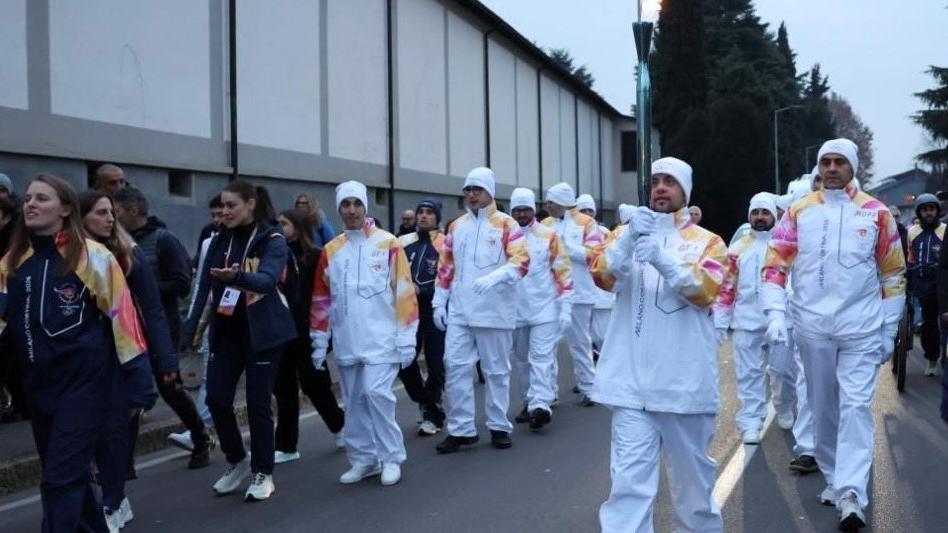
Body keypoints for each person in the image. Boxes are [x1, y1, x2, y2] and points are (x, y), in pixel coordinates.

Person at [761, 139, 905, 531]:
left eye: (840, 161)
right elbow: (774, 265)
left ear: (853, 167)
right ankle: (834, 475)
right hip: (812, 329)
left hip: (860, 329)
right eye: (826, 161)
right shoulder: (799, 212)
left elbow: (893, 274)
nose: (832, 168)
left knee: (855, 408)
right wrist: (775, 313)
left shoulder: (876, 214)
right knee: (822, 410)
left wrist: (888, 329)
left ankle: (852, 494)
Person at [0, 174, 155, 532]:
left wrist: (140, 381)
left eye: (42, 198)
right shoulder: (12, 262)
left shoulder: (92, 256)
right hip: (38, 387)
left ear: (66, 208)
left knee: (60, 480)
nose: (31, 204)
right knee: (73, 478)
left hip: (86, 386)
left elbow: (123, 319)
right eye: (28, 198)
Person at [591, 157, 726, 533]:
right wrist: (628, 240)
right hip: (630, 385)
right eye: (655, 182)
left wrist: (662, 259)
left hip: (684, 386)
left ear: (685, 191)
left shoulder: (708, 242)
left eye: (670, 182)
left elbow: (705, 291)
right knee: (628, 488)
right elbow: (602, 276)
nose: (661, 188)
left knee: (694, 490)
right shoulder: (625, 235)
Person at [182, 180, 297, 501]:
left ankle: (263, 472)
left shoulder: (273, 239)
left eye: (231, 205)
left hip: (264, 335)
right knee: (217, 400)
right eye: (221, 206)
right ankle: (237, 460)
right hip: (227, 332)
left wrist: (237, 277)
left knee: (259, 404)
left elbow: (267, 280)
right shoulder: (217, 239)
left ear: (250, 204)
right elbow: (203, 289)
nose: (224, 211)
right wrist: (190, 331)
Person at [80, 190, 181, 528]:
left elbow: (152, 308)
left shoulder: (127, 253)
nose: (110, 218)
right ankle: (108, 497)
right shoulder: (67, 256)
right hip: (81, 358)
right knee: (89, 434)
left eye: (111, 211)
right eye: (101, 212)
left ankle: (113, 499)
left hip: (125, 353)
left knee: (116, 432)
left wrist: (165, 360)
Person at [310, 180, 418, 486]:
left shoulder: (388, 244)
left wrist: (407, 337)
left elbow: (404, 292)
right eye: (346, 204)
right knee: (354, 402)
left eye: (357, 203)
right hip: (348, 339)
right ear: (339, 209)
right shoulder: (331, 250)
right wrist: (319, 342)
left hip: (382, 339)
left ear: (365, 207)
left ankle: (391, 457)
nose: (352, 210)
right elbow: (321, 301)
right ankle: (364, 459)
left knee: (376, 394)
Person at [112, 187, 211, 473]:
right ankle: (124, 464)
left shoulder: (163, 240)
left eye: (116, 212)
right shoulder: (116, 243)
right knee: (129, 392)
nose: (112, 218)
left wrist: (142, 288)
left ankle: (200, 438)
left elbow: (182, 283)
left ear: (133, 211)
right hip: (127, 330)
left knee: (170, 388)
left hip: (162, 327)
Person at [433, 167, 529, 453]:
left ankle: (498, 426)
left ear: (490, 191)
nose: (472, 194)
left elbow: (522, 262)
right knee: (455, 367)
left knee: (496, 371)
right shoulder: (456, 226)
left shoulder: (507, 224)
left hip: (494, 310)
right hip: (461, 310)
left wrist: (495, 277)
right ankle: (461, 429)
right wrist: (439, 301)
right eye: (468, 190)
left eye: (477, 189)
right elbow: (446, 266)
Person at [714, 193, 798, 444]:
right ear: (749, 215)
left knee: (783, 372)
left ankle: (784, 406)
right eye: (755, 213)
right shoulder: (737, 249)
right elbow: (727, 288)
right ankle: (751, 422)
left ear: (774, 216)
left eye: (765, 213)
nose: (760, 217)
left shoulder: (785, 246)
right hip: (746, 322)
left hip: (782, 321)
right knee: (748, 375)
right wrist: (720, 322)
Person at [273, 208, 345, 463]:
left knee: (315, 384)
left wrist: (323, 332)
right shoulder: (273, 255)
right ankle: (286, 445)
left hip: (309, 331)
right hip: (281, 332)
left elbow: (326, 295)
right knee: (283, 389)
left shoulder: (315, 256)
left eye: (284, 223)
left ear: (298, 226)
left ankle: (339, 426)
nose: (279, 228)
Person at [509, 187, 572, 429]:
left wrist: (565, 307)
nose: (521, 214)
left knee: (541, 357)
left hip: (545, 309)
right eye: (517, 210)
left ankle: (541, 404)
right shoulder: (505, 236)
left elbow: (563, 272)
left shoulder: (548, 235)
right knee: (522, 361)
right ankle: (528, 402)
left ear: (533, 210)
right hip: (515, 310)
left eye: (525, 209)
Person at [543, 182, 603, 406]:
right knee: (546, 344)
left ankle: (589, 388)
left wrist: (566, 246)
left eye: (551, 202)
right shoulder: (545, 224)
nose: (547, 205)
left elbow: (595, 254)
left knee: (579, 343)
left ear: (562, 202)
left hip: (580, 292)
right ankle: (549, 392)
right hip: (550, 293)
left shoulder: (587, 223)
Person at [397, 198, 448, 436]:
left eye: (429, 212)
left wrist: (425, 290)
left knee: (436, 365)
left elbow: (449, 276)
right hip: (409, 311)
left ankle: (432, 413)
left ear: (437, 217)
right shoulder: (402, 242)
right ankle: (428, 403)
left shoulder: (445, 243)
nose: (424, 216)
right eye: (421, 212)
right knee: (404, 362)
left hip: (436, 310)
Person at [907, 193, 945, 377]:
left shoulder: (945, 230)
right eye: (924, 210)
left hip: (943, 285)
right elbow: (910, 257)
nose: (928, 213)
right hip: (922, 285)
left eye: (931, 209)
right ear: (919, 213)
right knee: (929, 324)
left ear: (937, 211)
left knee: (945, 323)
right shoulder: (912, 232)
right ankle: (931, 357)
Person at [576, 193, 614, 361]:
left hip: (600, 296)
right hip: (579, 293)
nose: (587, 214)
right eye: (583, 210)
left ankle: (605, 367)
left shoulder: (605, 233)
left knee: (601, 336)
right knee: (581, 340)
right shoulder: (571, 234)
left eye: (590, 210)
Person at [193, 194, 224, 266]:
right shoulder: (207, 230)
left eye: (220, 215)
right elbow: (200, 255)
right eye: (213, 215)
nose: (216, 220)